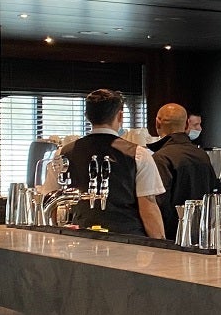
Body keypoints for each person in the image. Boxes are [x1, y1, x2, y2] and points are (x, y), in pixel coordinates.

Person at [43, 89, 165, 238]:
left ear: (87, 116)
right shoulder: (138, 154)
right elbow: (148, 208)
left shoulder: (63, 153)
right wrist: (160, 244)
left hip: (80, 239)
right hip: (128, 242)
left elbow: (51, 199)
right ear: (120, 116)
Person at [150, 102, 217, 240]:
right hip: (203, 237)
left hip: (172, 240)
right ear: (186, 125)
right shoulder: (202, 155)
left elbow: (157, 204)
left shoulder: (160, 158)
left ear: (157, 123)